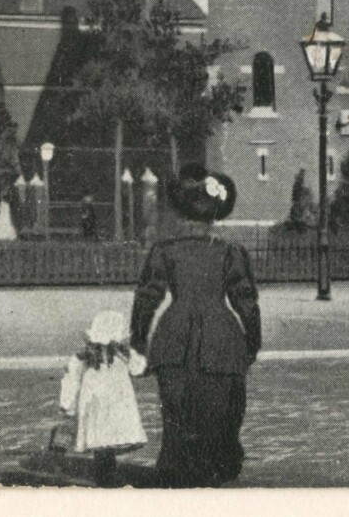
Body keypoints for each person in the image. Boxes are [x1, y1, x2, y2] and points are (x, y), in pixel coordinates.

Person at [131, 164, 260, 487]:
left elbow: (147, 298)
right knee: (220, 419)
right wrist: (252, 342)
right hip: (222, 341)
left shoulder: (165, 250)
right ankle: (215, 477)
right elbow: (245, 300)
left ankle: (177, 479)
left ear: (179, 209)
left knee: (176, 419)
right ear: (215, 213)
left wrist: (138, 341)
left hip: (173, 341)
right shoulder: (231, 252)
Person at [58, 308, 149, 487]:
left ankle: (109, 475)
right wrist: (67, 405)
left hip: (116, 403)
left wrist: (128, 353)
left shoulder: (121, 355)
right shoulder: (84, 357)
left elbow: (138, 369)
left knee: (110, 440)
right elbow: (72, 379)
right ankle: (105, 478)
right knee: (101, 441)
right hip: (97, 404)